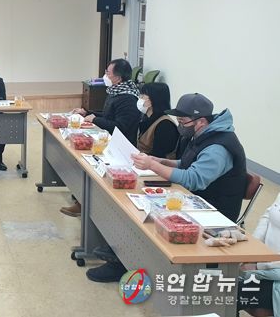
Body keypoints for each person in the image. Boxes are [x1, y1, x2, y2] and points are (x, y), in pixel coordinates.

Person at [86, 82, 179, 283]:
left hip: (156, 181)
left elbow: (159, 159)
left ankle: (120, 260)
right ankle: (115, 248)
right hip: (141, 171)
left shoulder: (165, 125)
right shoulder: (147, 118)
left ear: (151, 100)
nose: (140, 100)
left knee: (125, 207)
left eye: (143, 96)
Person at [132, 93, 247, 222]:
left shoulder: (217, 148)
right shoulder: (203, 133)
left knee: (149, 217)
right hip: (196, 198)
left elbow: (192, 179)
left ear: (201, 121)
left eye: (183, 122)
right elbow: (187, 163)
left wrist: (152, 165)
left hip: (215, 213)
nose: (180, 125)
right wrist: (161, 161)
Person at [62, 58, 141, 217]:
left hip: (120, 148)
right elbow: (107, 116)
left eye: (108, 73)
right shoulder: (115, 91)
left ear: (118, 77)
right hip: (107, 140)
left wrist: (95, 120)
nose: (105, 75)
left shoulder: (127, 98)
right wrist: (87, 113)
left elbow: (121, 127)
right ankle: (81, 197)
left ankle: (85, 204)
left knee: (90, 166)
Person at [237, 193, 280, 317]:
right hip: (264, 264)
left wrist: (259, 266)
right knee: (219, 277)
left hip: (275, 277)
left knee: (228, 292)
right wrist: (253, 250)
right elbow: (268, 215)